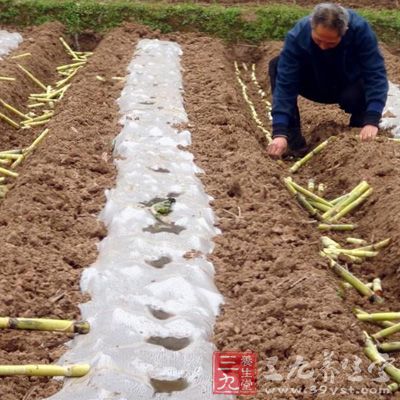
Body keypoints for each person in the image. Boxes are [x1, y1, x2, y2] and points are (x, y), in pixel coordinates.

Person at [267, 2, 389, 159]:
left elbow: (376, 74)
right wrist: (279, 131)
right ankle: (293, 142)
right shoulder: (298, 36)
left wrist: (372, 119)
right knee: (277, 65)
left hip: (347, 85)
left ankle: (359, 129)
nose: (323, 46)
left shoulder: (360, 31)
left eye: (331, 43)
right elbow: (285, 85)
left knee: (367, 80)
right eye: (318, 41)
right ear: (312, 26)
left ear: (344, 32)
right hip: (313, 84)